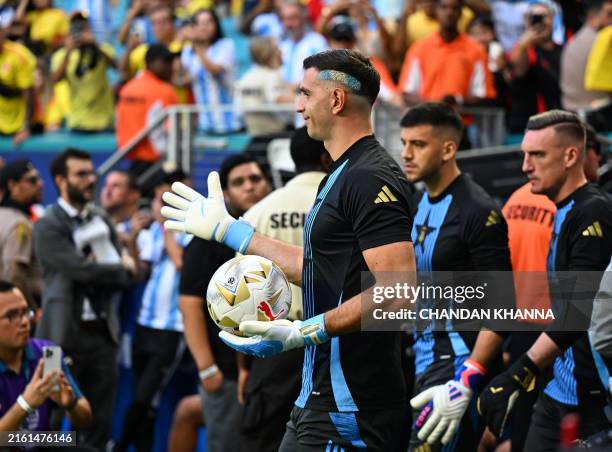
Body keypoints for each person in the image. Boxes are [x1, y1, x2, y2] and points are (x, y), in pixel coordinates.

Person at [163, 49, 416, 450]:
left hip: (350, 407)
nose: (297, 106)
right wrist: (233, 232)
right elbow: (320, 270)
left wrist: (305, 331)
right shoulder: (341, 173)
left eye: (304, 94)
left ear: (336, 100)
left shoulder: (368, 177)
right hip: (316, 398)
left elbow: (399, 293)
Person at [471, 110, 612, 451]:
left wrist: (518, 372)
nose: (525, 166)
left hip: (589, 398)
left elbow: (577, 312)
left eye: (537, 155)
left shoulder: (593, 210)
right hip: (556, 388)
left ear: (570, 156)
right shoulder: (561, 208)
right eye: (524, 154)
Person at [399, 103, 512, 451]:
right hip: (419, 359)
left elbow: (502, 307)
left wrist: (467, 379)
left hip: (455, 367)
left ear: (448, 149)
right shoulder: (416, 201)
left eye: (418, 144)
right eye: (403, 143)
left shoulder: (478, 210)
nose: (406, 154)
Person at [33, 148, 132, 450]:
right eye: (81, 174)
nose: (91, 180)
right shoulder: (47, 224)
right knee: (44, 424)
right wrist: (118, 267)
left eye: (92, 173)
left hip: (102, 334)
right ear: (60, 180)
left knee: (98, 425)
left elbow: (128, 275)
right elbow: (81, 271)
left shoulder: (100, 216)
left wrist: (120, 268)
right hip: (54, 338)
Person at [238, 127, 329, 451]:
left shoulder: (257, 213)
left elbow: (241, 299)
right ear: (328, 155)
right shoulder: (343, 204)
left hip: (272, 349)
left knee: (264, 440)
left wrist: (244, 367)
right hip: (333, 342)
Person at [179, 153, 271, 452]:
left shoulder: (268, 232)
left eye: (255, 179)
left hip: (269, 371)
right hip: (226, 373)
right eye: (239, 182)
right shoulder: (208, 238)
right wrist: (207, 369)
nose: (250, 187)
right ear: (226, 193)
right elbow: (189, 304)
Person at [114, 170, 193, 452]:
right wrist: (134, 238)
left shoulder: (190, 230)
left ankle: (119, 445)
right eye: (161, 197)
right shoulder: (153, 233)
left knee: (146, 398)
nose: (163, 204)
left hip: (171, 328)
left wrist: (166, 226)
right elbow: (139, 273)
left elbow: (181, 263)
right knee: (141, 398)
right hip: (144, 323)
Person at [0, 280, 92, 432]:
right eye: (11, 316)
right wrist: (26, 404)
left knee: (73, 443)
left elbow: (85, 419)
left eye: (25, 312)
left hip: (43, 442)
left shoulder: (47, 353)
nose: (24, 322)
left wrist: (71, 404)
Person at [398, 0, 496, 107]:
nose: (449, 13)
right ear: (436, 11)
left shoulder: (476, 51)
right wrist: (433, 107)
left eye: (454, 8)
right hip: (427, 120)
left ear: (460, 13)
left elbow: (484, 94)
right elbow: (407, 92)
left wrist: (459, 101)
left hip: (462, 121)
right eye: (444, 7)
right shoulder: (418, 49)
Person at [50, 12, 116, 132]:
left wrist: (94, 44)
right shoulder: (61, 55)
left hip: (105, 121)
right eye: (76, 28)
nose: (79, 32)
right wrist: (68, 52)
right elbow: (55, 80)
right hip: (78, 121)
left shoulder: (102, 48)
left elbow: (116, 66)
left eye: (83, 27)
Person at [116, 43, 179, 168]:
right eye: (166, 62)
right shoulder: (165, 90)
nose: (170, 67)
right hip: (156, 160)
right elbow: (172, 129)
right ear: (150, 63)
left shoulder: (127, 88)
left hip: (128, 156)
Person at [179, 8, 241, 134]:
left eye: (208, 23)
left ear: (216, 25)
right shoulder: (188, 52)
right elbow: (179, 80)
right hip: (205, 124)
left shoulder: (226, 45)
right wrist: (179, 44)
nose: (204, 27)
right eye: (200, 24)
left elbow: (214, 70)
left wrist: (197, 44)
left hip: (230, 122)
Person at [507, 2, 562, 133]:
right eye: (535, 17)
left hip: (557, 122)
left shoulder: (564, 50)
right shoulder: (522, 50)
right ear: (527, 21)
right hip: (528, 126)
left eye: (544, 17)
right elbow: (519, 70)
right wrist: (524, 44)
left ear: (553, 19)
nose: (540, 21)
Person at [0, 160, 43, 309]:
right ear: (12, 185)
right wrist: (31, 309)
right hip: (11, 312)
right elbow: (14, 273)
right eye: (32, 180)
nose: (40, 184)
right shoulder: (19, 224)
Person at [235, 36, 294, 136]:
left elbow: (239, 111)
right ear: (269, 54)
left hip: (253, 134)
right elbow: (277, 98)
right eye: (277, 49)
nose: (281, 52)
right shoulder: (272, 76)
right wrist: (304, 98)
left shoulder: (246, 77)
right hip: (277, 134)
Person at [560, 0, 612, 111]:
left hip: (574, 114)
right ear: (593, 18)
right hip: (598, 117)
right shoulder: (603, 41)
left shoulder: (573, 41)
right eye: (610, 14)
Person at [278, 1, 328, 89]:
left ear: (304, 18)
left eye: (292, 18)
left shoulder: (317, 42)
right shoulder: (282, 44)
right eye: (284, 19)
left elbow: (324, 73)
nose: (288, 24)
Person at [0, 23, 36, 146]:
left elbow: (29, 93)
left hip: (17, 124)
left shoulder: (19, 55)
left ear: (3, 33)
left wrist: (26, 126)